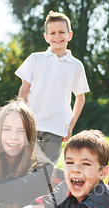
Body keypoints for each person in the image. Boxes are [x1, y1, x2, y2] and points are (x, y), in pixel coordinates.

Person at [16, 10, 89, 163]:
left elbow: (80, 98)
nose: (57, 36)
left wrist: (70, 126)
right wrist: (20, 116)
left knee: (47, 170)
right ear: (46, 37)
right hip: (32, 123)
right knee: (25, 165)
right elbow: (24, 90)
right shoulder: (35, 59)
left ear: (69, 35)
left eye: (61, 32)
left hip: (57, 126)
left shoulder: (76, 65)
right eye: (53, 32)